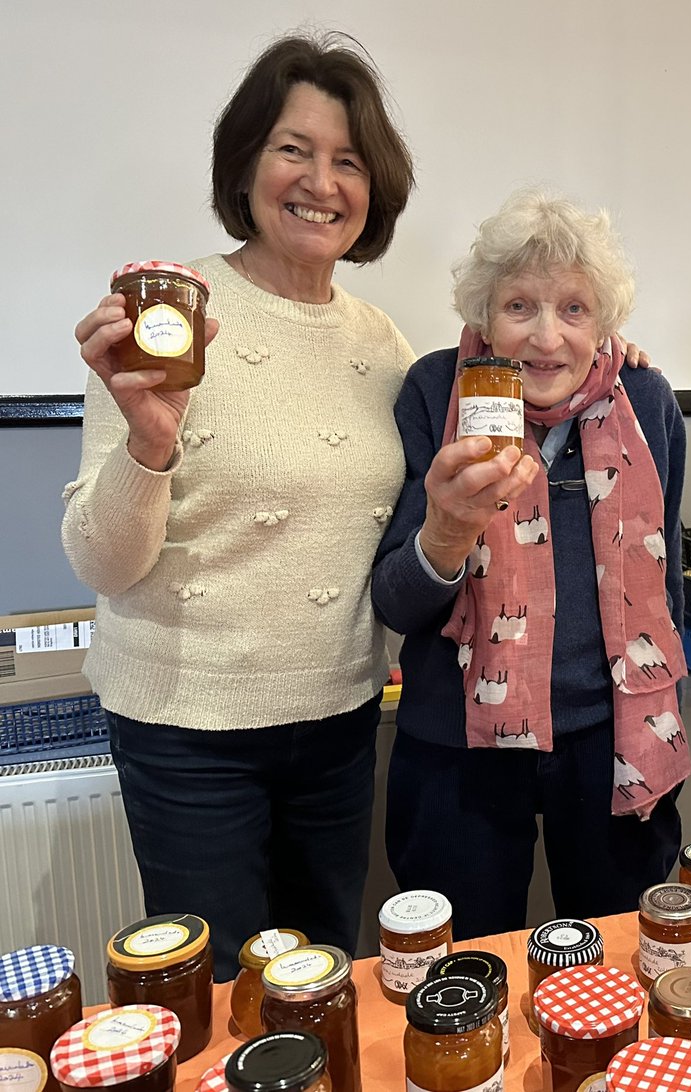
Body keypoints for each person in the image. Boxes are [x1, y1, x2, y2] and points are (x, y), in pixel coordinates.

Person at [62, 32, 416, 980]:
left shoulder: (382, 344)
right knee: (217, 1006)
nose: (321, 181)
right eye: (292, 149)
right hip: (187, 732)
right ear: (246, 162)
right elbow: (102, 562)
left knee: (321, 984)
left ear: (373, 187)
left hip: (339, 719)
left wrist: (608, 355)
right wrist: (149, 442)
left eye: (348, 160)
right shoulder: (163, 316)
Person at [372, 190, 690, 939]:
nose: (547, 337)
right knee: (466, 965)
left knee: (618, 963)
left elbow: (663, 586)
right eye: (521, 306)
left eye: (574, 310)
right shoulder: (432, 392)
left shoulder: (643, 400)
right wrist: (448, 529)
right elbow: (398, 604)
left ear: (605, 322)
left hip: (614, 736)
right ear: (484, 317)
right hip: (460, 746)